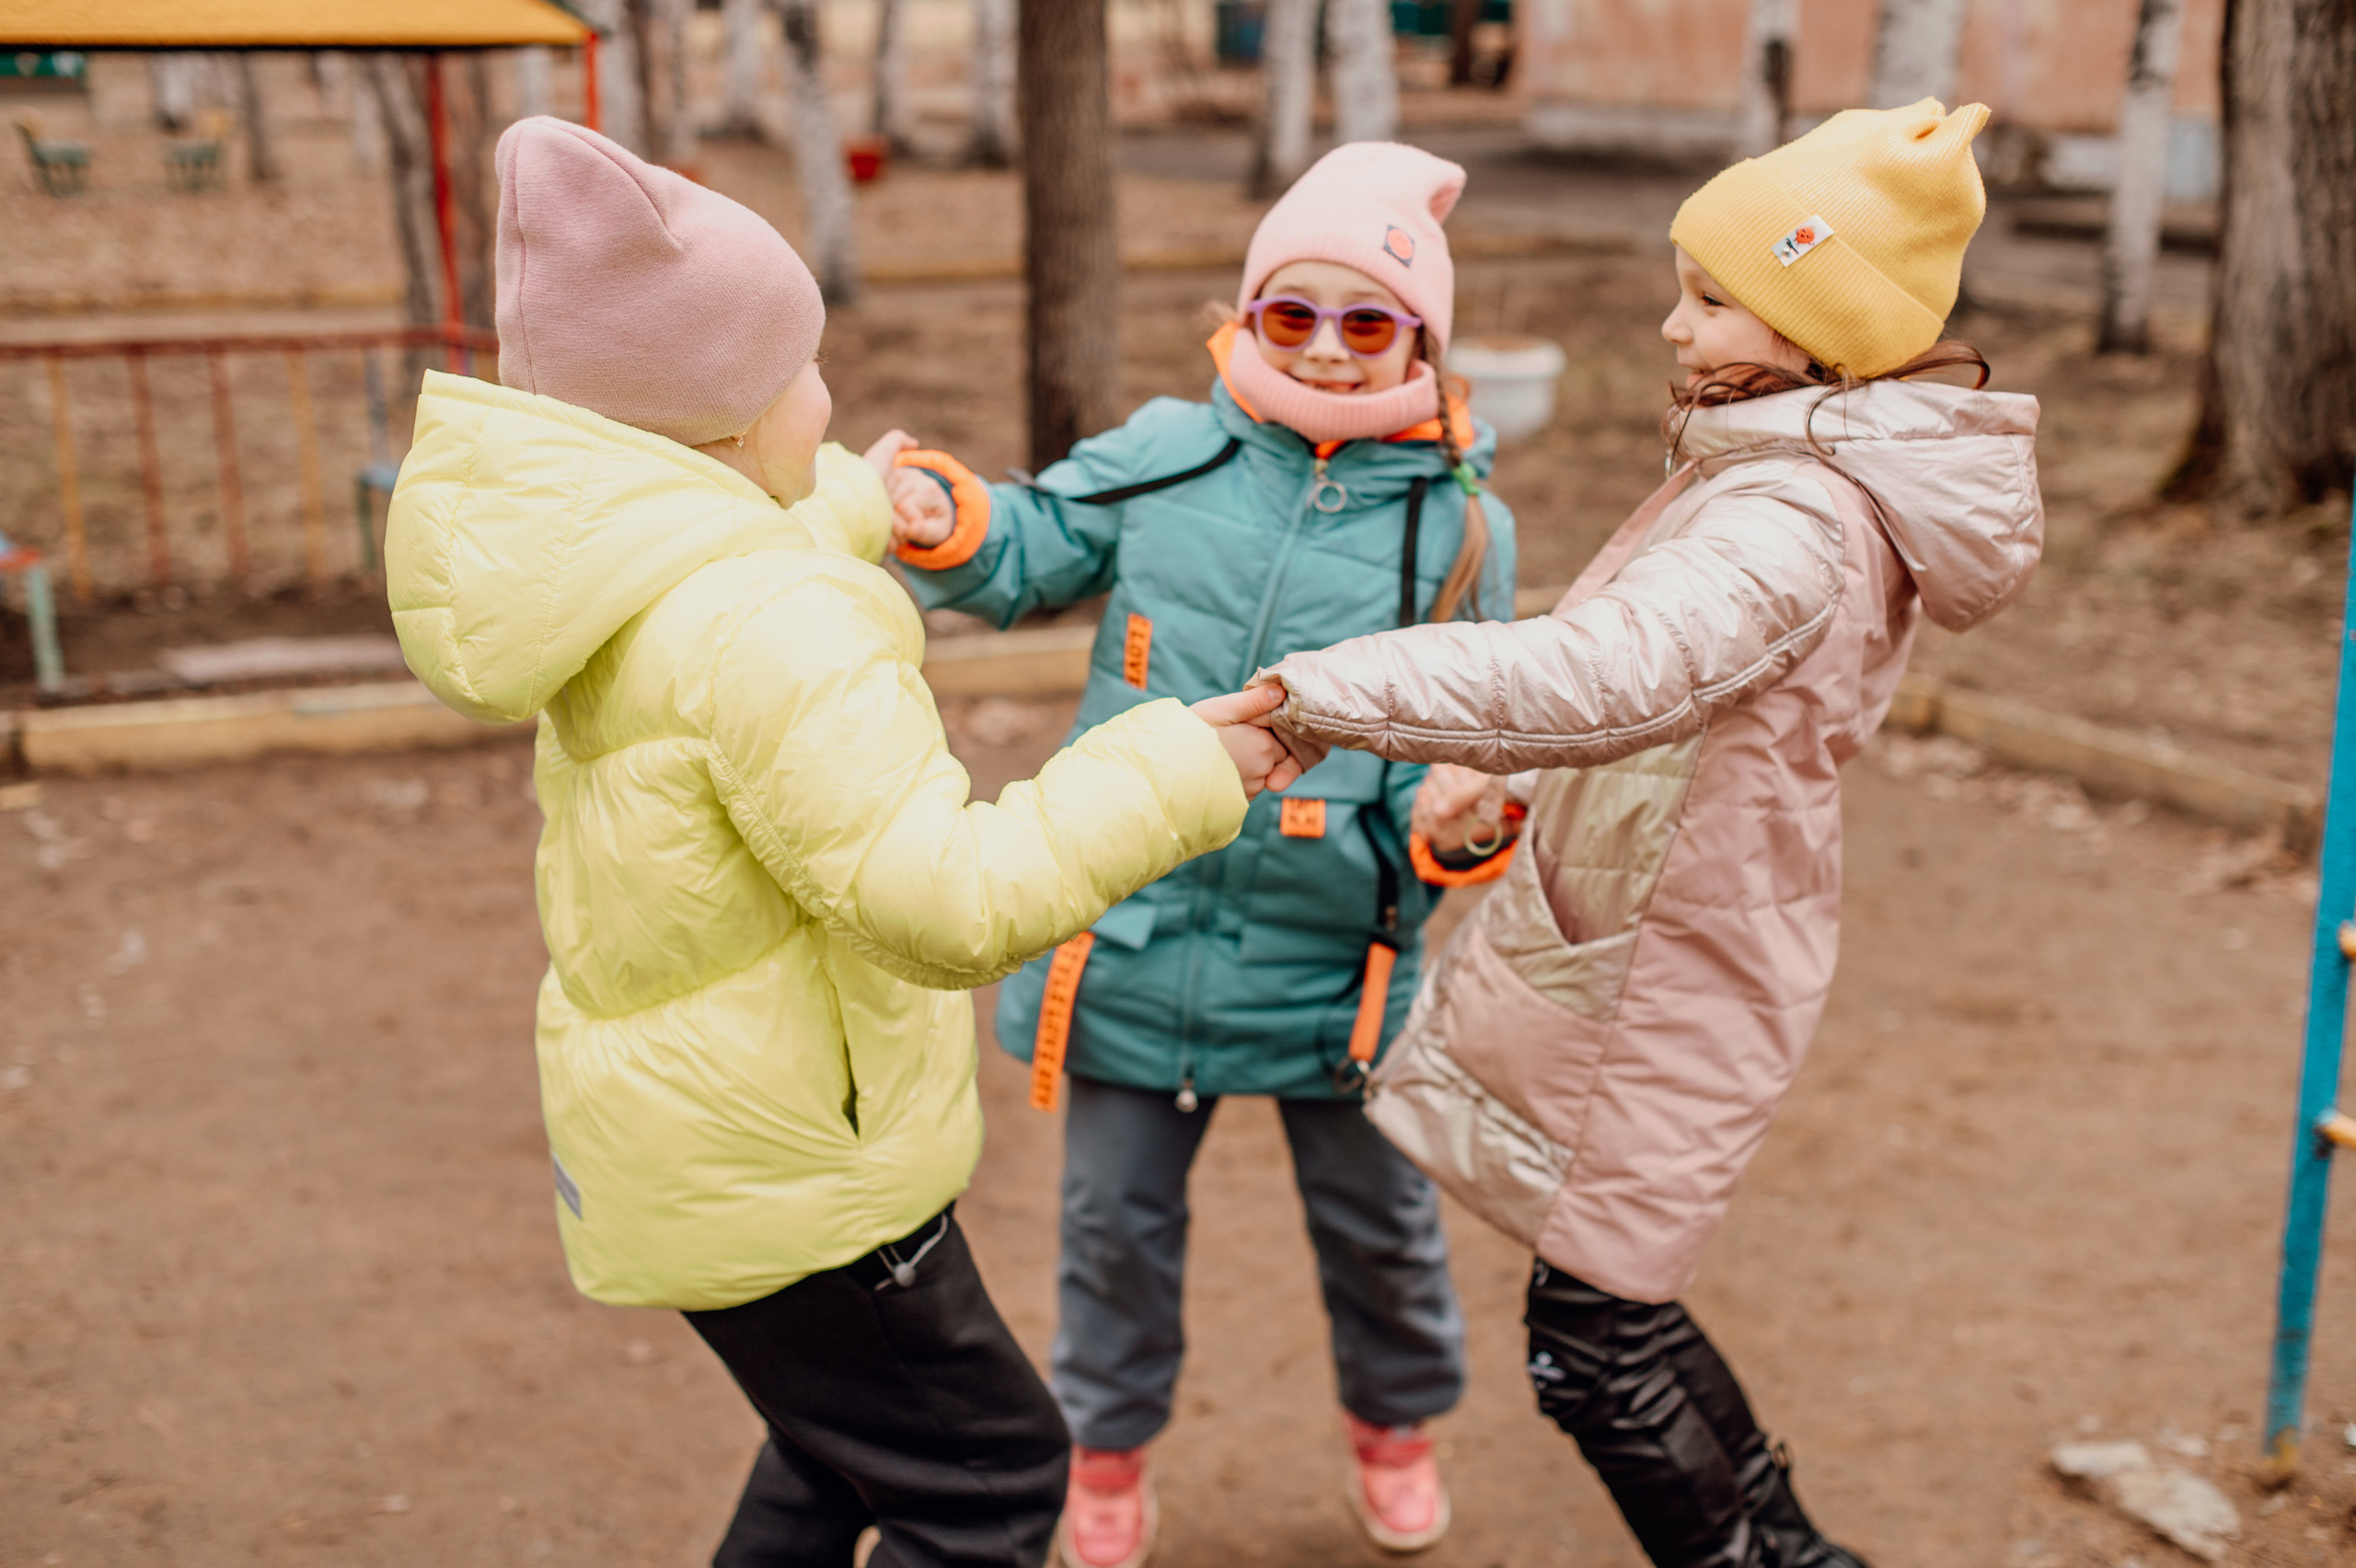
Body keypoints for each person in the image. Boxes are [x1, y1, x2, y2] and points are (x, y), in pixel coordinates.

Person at [387, 118, 1299, 1568]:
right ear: (735, 419)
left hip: (704, 1135)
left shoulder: (638, 562)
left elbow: (736, 546)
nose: (825, 389)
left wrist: (865, 497)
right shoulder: (769, 623)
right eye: (802, 369)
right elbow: (946, 899)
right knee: (992, 1478)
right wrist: (1185, 761)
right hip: (802, 1162)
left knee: (840, 1457)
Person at [1248, 102, 2044, 1568]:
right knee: (1618, 1300)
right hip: (1675, 926)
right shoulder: (1778, 473)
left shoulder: (1793, 516)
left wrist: (1330, 691)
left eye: (1714, 295)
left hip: (1672, 966)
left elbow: (1605, 674)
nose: (1675, 327)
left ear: (1815, 324)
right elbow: (1683, 704)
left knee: (1592, 1343)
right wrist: (1527, 791)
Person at [882, 143, 1518, 1567]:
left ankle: (1395, 1426)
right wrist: (948, 515)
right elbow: (1033, 546)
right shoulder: (1172, 453)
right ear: (1249, 313)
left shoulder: (1464, 525)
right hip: (1136, 933)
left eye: (1371, 321)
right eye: (1294, 313)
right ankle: (1104, 1455)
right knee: (1112, 1234)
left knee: (1381, 1230)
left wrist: (1465, 818)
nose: (1330, 348)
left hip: (1339, 964)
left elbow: (1483, 734)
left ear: (1422, 337)